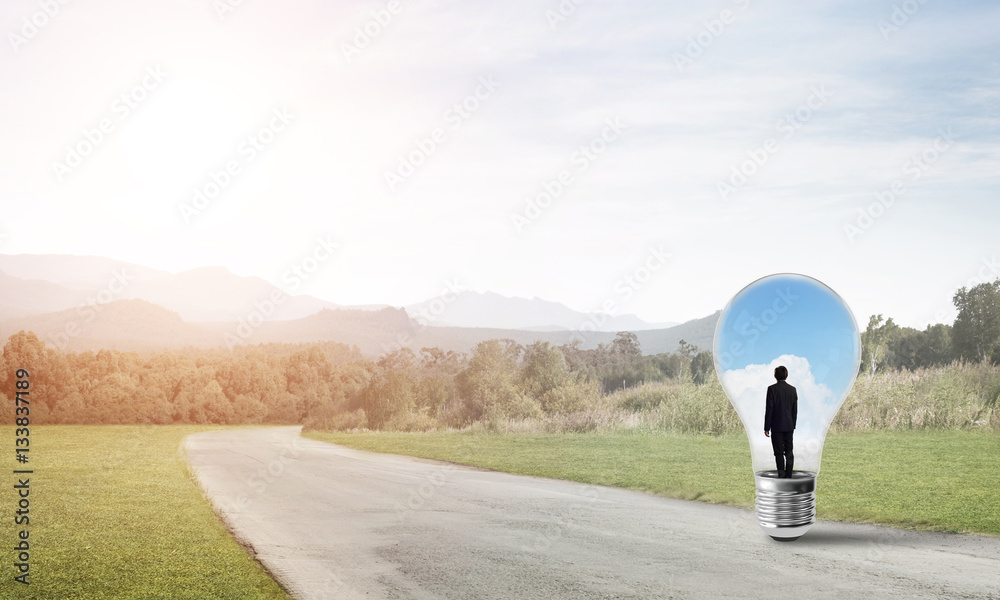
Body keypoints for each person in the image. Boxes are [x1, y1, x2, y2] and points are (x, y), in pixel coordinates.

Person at [764, 365, 797, 478]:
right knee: (789, 452)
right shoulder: (792, 390)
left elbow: (769, 409)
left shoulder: (771, 389)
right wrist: (793, 425)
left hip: (776, 426)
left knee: (778, 453)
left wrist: (766, 427)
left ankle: (781, 475)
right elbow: (794, 410)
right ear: (786, 375)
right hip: (789, 425)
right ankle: (789, 475)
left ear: (775, 376)